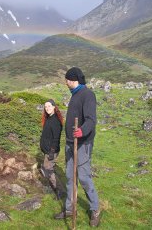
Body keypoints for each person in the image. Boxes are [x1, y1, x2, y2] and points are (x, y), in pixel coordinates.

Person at [54, 67, 100, 227]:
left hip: (82, 144)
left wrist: (82, 131)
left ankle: (95, 209)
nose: (65, 83)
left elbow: (91, 120)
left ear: (73, 80)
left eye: (67, 80)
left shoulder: (87, 95)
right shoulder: (75, 95)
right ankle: (69, 209)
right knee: (70, 177)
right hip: (70, 143)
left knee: (84, 178)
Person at [39, 99, 64, 200]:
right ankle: (59, 189)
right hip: (47, 150)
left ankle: (60, 191)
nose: (47, 108)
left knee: (47, 170)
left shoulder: (55, 121)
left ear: (54, 107)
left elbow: (56, 138)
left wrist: (52, 151)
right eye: (45, 107)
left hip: (51, 151)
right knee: (48, 169)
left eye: (49, 106)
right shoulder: (49, 118)